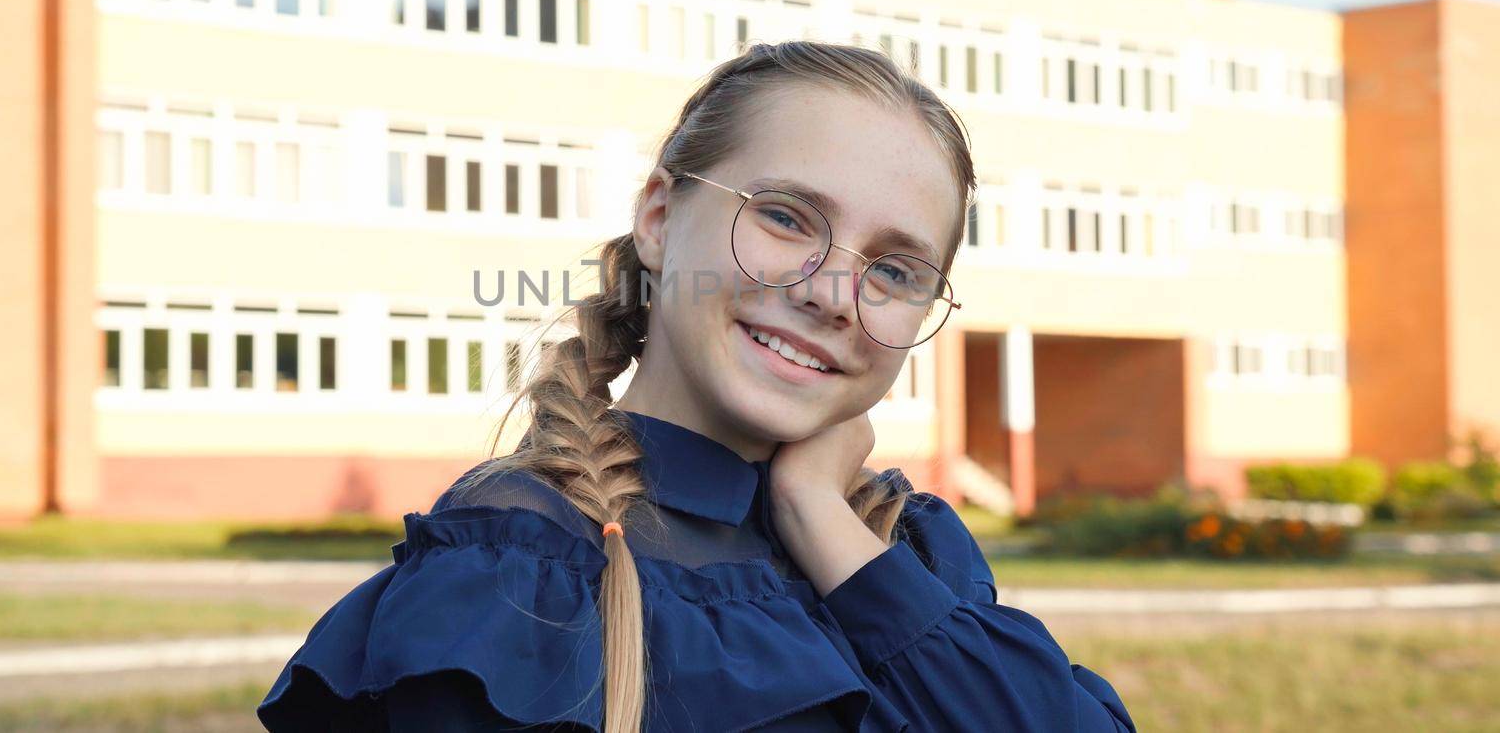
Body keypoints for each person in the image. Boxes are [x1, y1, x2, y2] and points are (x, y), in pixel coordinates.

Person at [256, 41, 1136, 732]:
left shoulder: (913, 554)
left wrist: (822, 521)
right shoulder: (521, 567)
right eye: (787, 219)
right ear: (660, 217)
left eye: (897, 269)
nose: (832, 294)